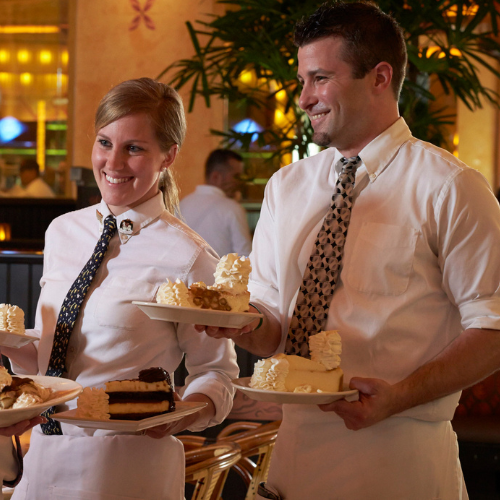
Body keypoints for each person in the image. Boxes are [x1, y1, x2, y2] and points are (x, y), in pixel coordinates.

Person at [199, 3, 500, 499]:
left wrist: (397, 397)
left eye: (320, 78)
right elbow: (273, 325)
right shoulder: (285, 188)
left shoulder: (450, 187)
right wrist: (239, 322)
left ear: (380, 77)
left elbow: (492, 329)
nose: (303, 98)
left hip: (400, 457)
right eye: (302, 80)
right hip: (291, 454)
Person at [2, 77, 239, 499]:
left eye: (134, 148)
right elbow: (54, 354)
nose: (113, 162)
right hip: (41, 463)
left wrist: (184, 415)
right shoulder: (61, 231)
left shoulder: (191, 257)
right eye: (105, 143)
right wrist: (11, 346)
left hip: (126, 469)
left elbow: (217, 372)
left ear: (169, 155)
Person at [180, 149, 252, 256]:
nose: (240, 182)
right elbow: (245, 257)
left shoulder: (182, 204)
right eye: (236, 176)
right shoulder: (233, 208)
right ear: (216, 177)